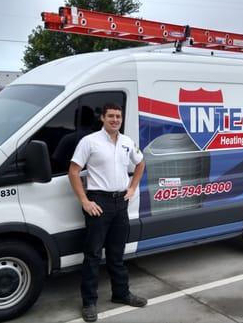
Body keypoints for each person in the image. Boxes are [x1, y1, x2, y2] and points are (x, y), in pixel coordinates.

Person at [68, 103, 147, 322]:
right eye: (110, 116)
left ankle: (121, 294)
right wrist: (85, 201)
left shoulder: (127, 142)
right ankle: (89, 303)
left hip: (120, 202)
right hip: (98, 202)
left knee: (117, 254)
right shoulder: (90, 141)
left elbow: (140, 164)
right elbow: (73, 172)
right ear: (102, 118)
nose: (115, 120)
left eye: (118, 116)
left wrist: (132, 188)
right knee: (93, 255)